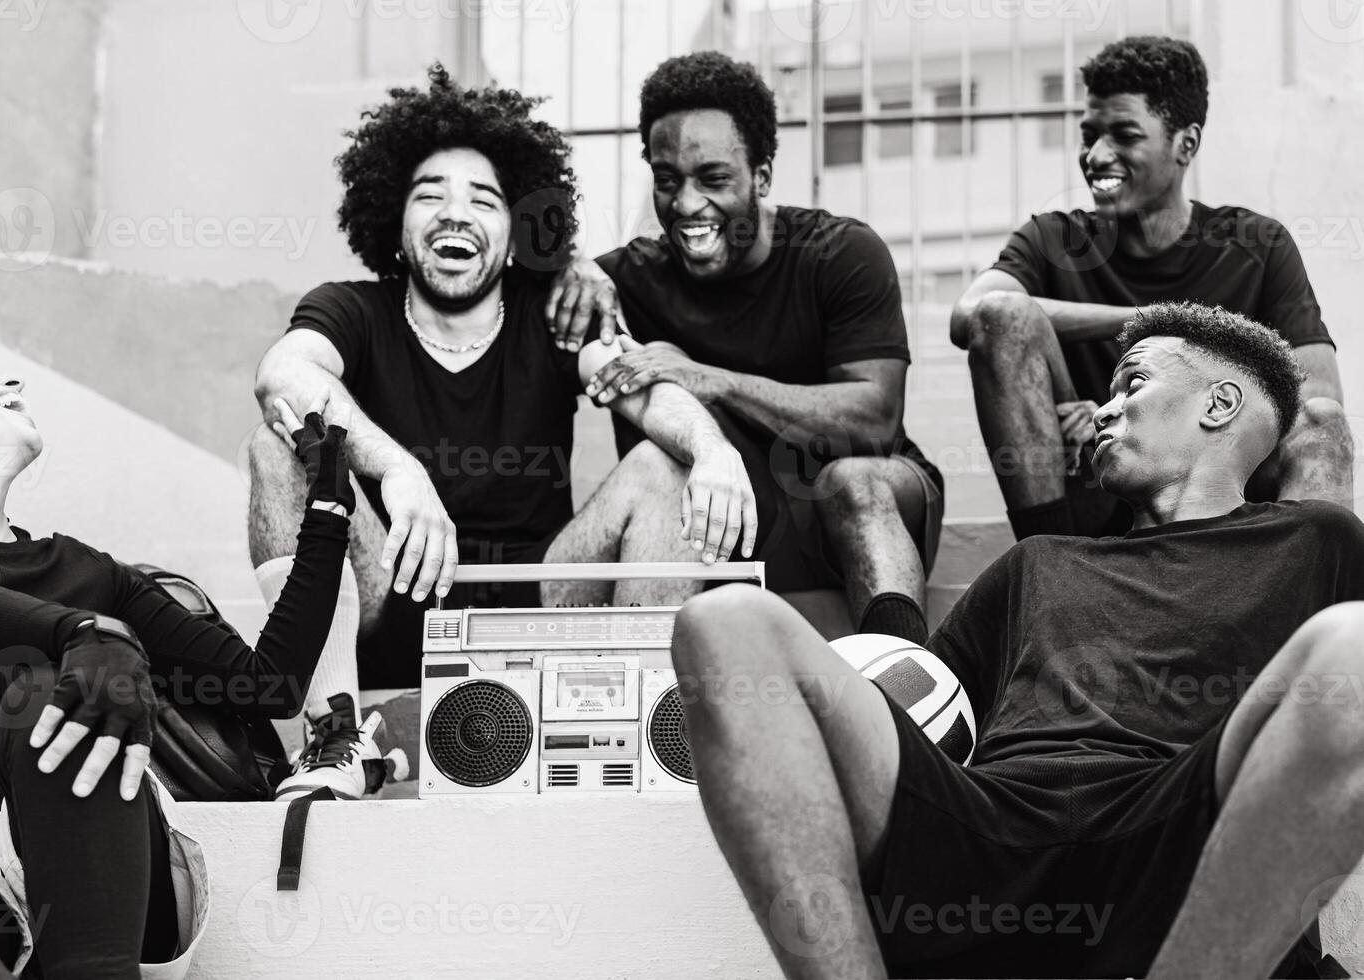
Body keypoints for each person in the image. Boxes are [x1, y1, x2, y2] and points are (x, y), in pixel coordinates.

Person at [669, 302, 1364, 979]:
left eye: (1132, 383)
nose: (1102, 408)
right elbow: (916, 705)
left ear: (1217, 406)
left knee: (1352, 644)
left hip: (1179, 829)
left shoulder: (1312, 541)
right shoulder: (1037, 562)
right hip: (990, 831)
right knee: (724, 621)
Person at [249, 65, 757, 795]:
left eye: (483, 200)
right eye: (430, 196)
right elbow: (283, 375)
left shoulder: (553, 312)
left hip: (541, 606)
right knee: (278, 443)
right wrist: (399, 471)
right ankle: (334, 736)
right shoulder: (351, 309)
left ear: (514, 227)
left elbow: (647, 392)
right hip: (389, 592)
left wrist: (711, 448)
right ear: (393, 218)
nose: (455, 215)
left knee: (664, 461)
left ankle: (656, 737)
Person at [0, 334, 354, 978]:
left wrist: (326, 515)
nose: (10, 382)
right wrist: (82, 633)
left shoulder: (93, 574)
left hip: (99, 854)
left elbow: (267, 687)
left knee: (52, 691)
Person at [549, 51, 943, 647]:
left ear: (761, 175)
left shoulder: (840, 253)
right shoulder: (624, 282)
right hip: (715, 526)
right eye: (667, 180)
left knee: (851, 480)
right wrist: (566, 264)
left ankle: (911, 688)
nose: (685, 205)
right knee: (662, 471)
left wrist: (713, 379)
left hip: (853, 513)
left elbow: (875, 416)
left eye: (713, 179)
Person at [950, 36, 1353, 540]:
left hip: (1222, 487)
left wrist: (1163, 420)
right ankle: (1047, 565)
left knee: (1320, 422)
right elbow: (970, 314)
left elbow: (1315, 398)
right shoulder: (1053, 239)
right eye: (1090, 134)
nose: (1096, 155)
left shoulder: (1257, 243)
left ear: (1185, 144)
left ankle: (1304, 595)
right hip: (1091, 482)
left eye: (1124, 135)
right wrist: (1152, 323)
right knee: (1002, 316)